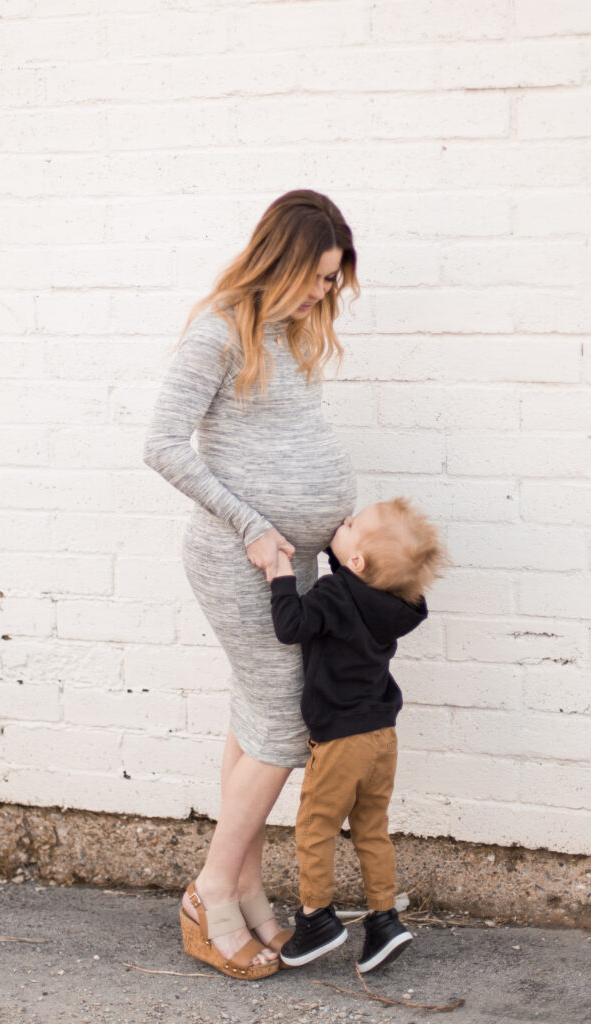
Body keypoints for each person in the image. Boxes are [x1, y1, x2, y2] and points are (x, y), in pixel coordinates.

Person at [143, 190, 359, 980]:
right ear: (283, 256)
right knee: (278, 726)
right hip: (245, 562)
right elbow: (162, 445)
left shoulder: (292, 329)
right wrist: (253, 527)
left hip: (293, 561)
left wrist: (328, 526)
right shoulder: (218, 331)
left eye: (334, 281)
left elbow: (291, 441)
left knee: (255, 715)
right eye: (318, 276)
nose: (324, 292)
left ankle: (241, 888)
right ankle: (209, 892)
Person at [266, 498, 447, 973]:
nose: (341, 522)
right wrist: (341, 550)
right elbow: (353, 579)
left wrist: (279, 571)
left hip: (340, 740)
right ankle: (385, 921)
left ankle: (316, 919)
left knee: (315, 828)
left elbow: (291, 626)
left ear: (356, 563)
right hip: (381, 737)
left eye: (350, 524)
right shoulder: (392, 603)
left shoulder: (333, 595)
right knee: (371, 829)